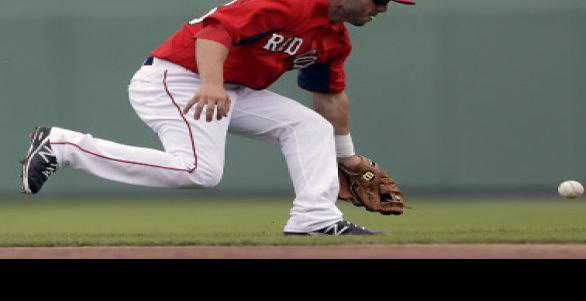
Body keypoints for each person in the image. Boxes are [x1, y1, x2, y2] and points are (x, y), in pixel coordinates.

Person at [19, 0, 415, 236]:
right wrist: (211, 83)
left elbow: (329, 96)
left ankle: (315, 217)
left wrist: (346, 156)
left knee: (309, 126)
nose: (381, 8)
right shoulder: (288, 3)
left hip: (230, 87)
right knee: (199, 171)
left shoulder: (334, 39)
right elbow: (214, 32)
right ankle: (62, 145)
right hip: (175, 76)